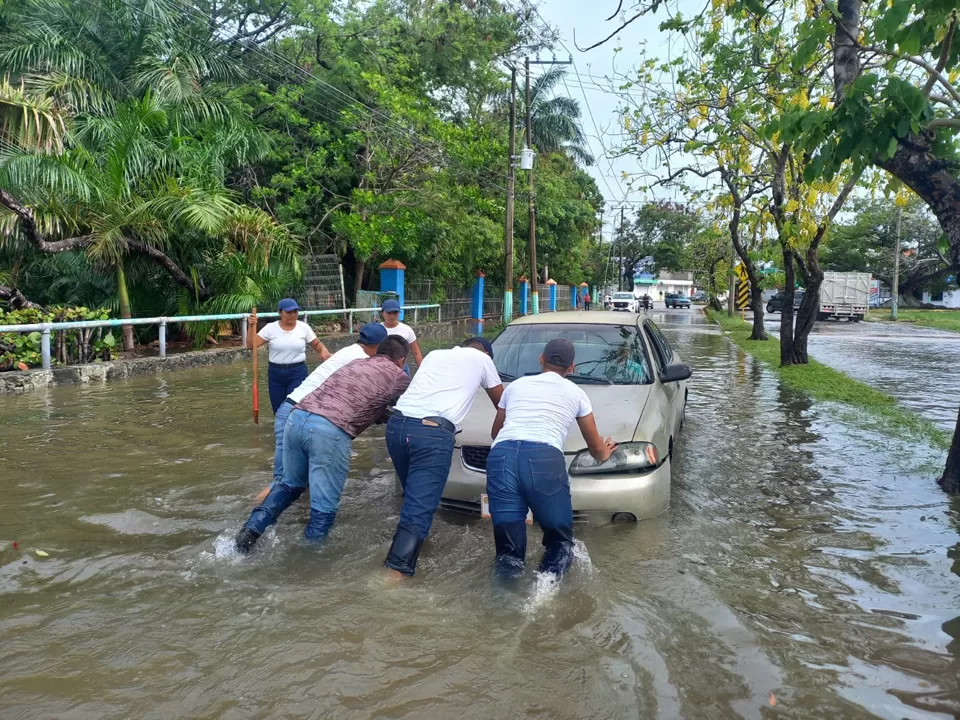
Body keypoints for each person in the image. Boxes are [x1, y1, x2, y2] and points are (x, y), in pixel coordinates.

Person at [235, 336, 411, 553]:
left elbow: (360, 400)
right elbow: (412, 407)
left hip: (296, 416)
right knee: (323, 508)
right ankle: (309, 561)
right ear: (402, 360)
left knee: (289, 485)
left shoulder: (356, 363)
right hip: (330, 429)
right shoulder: (398, 375)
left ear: (377, 352)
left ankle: (249, 532)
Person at [486, 338, 617, 579]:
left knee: (508, 552)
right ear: (572, 368)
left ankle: (504, 603)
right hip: (543, 459)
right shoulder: (577, 394)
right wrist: (605, 452)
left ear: (541, 360)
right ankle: (545, 597)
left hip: (501, 457)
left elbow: (496, 432)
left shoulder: (516, 385)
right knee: (560, 542)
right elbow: (596, 448)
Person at [383, 337, 504, 576]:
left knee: (413, 500)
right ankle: (393, 575)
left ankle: (417, 545)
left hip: (396, 427)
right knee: (419, 509)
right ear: (487, 354)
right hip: (432, 434)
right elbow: (504, 403)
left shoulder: (435, 354)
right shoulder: (483, 360)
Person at [257, 323, 389, 502]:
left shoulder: (348, 351)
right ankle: (250, 515)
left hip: (290, 410)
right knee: (284, 483)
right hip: (305, 411)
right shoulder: (363, 360)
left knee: (294, 481)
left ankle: (288, 518)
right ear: (379, 346)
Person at [249, 298, 331, 414]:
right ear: (280, 312)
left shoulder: (303, 327)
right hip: (275, 373)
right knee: (278, 410)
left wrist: (323, 350)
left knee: (296, 407)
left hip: (297, 372)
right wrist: (251, 326)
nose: (293, 315)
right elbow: (251, 345)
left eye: (295, 312)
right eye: (289, 312)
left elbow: (317, 344)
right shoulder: (270, 328)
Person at [381, 299, 423, 371]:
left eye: (395, 313)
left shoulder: (407, 330)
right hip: (382, 368)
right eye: (389, 313)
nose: (392, 316)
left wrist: (423, 370)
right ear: (382, 313)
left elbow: (416, 352)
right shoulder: (377, 329)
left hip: (402, 369)